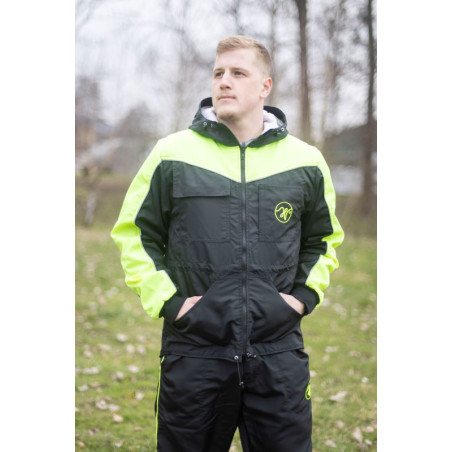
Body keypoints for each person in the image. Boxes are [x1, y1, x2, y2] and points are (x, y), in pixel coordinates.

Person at [111, 35, 344, 452]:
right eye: (218, 72)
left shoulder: (306, 161)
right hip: (194, 351)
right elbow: (135, 234)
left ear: (265, 86)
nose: (224, 81)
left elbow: (323, 240)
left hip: (277, 352)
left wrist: (302, 298)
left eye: (238, 73)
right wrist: (171, 303)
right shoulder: (171, 154)